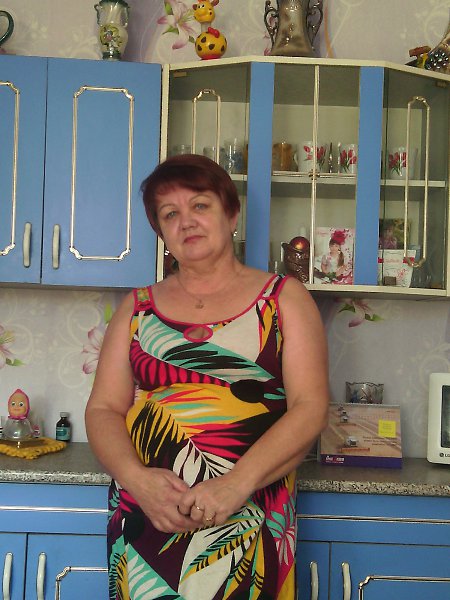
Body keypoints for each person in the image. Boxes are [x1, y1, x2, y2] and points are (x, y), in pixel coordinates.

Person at [85, 153, 329, 600]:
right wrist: (138, 480)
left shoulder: (283, 299)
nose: (186, 222)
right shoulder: (136, 307)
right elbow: (103, 409)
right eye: (169, 214)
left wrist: (235, 484)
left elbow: (310, 407)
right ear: (161, 233)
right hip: (148, 516)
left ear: (231, 215)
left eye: (200, 205)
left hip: (248, 516)